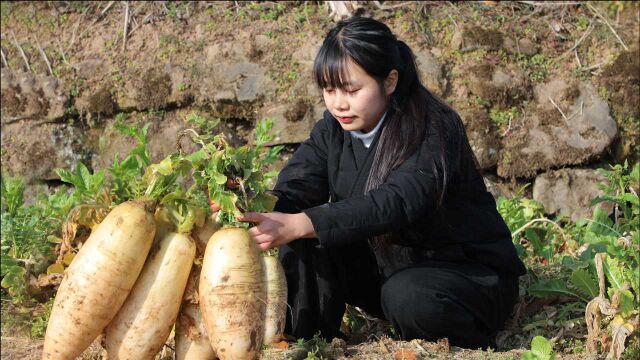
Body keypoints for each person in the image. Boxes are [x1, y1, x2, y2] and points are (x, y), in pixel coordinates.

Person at [210, 16, 526, 349]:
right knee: (296, 231)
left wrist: (304, 222)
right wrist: (253, 203)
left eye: (351, 90)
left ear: (389, 81)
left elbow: (399, 200)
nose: (338, 103)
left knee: (405, 295)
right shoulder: (333, 128)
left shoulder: (434, 126)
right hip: (388, 271)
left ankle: (462, 336)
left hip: (463, 278)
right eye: (329, 90)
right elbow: (297, 186)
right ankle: (305, 339)